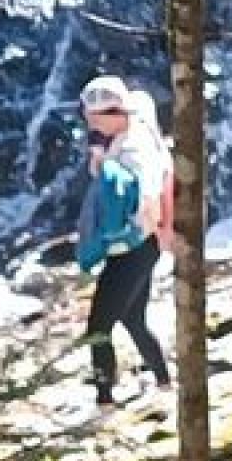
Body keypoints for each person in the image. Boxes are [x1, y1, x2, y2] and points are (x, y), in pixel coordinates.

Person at [73, 75, 173, 406]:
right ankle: (163, 381)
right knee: (133, 319)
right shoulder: (124, 135)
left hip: (134, 246)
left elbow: (148, 192)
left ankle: (104, 398)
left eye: (92, 116)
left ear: (110, 115)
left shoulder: (134, 148)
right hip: (139, 246)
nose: (89, 121)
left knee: (98, 326)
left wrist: (140, 226)